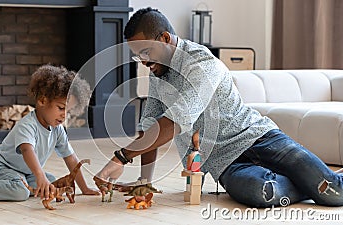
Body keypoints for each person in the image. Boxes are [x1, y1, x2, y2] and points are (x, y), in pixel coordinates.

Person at [94, 7, 343, 208]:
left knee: (333, 194)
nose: (144, 61)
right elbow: (150, 127)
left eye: (146, 52)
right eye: (138, 56)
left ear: (165, 39)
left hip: (261, 138)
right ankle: (311, 181)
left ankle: (319, 181)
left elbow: (177, 119)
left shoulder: (201, 63)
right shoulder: (158, 77)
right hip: (227, 163)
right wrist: (143, 181)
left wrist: (121, 157)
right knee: (263, 192)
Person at [0, 64, 99, 203]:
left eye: (69, 111)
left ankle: (20, 185)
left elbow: (71, 158)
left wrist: (84, 188)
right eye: (61, 108)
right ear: (43, 101)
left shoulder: (58, 129)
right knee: (20, 192)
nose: (64, 115)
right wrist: (39, 176)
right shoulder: (28, 124)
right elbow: (27, 150)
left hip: (23, 173)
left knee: (50, 181)